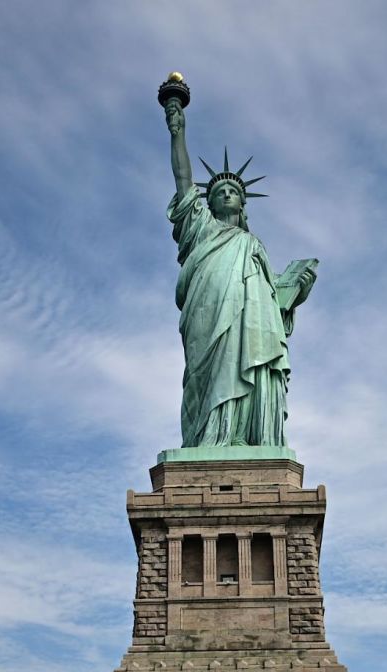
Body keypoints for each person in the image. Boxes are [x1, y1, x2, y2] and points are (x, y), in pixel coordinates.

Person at [163, 95, 318, 448]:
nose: (227, 195)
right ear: (210, 201)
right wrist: (177, 131)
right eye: (220, 191)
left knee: (253, 365)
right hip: (208, 315)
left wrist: (295, 294)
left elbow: (274, 300)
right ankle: (209, 439)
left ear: (243, 203)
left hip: (252, 329)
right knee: (208, 376)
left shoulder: (254, 247)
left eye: (234, 191)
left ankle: (246, 437)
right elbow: (183, 178)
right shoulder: (200, 228)